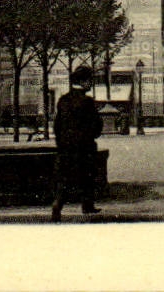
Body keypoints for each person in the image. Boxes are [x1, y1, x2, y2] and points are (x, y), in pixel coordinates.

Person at [51, 65, 102, 221]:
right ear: (83, 81)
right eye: (90, 81)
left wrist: (62, 143)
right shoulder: (87, 101)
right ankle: (87, 205)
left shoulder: (63, 100)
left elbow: (57, 125)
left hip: (66, 148)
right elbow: (96, 125)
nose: (91, 84)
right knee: (87, 177)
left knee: (65, 179)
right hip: (84, 147)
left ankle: (57, 204)